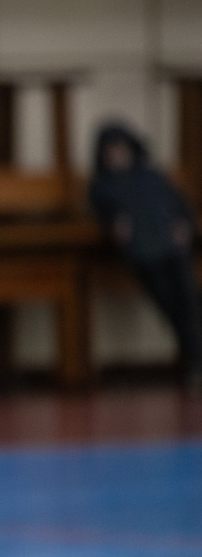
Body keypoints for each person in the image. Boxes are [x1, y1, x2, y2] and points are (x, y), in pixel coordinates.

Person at [89, 122, 202, 392]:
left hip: (173, 250)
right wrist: (115, 224)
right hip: (144, 256)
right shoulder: (102, 185)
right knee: (172, 308)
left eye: (120, 148)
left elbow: (179, 204)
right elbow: (106, 214)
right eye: (110, 150)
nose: (117, 155)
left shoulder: (150, 176)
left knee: (190, 303)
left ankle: (197, 362)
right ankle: (197, 362)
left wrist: (184, 224)